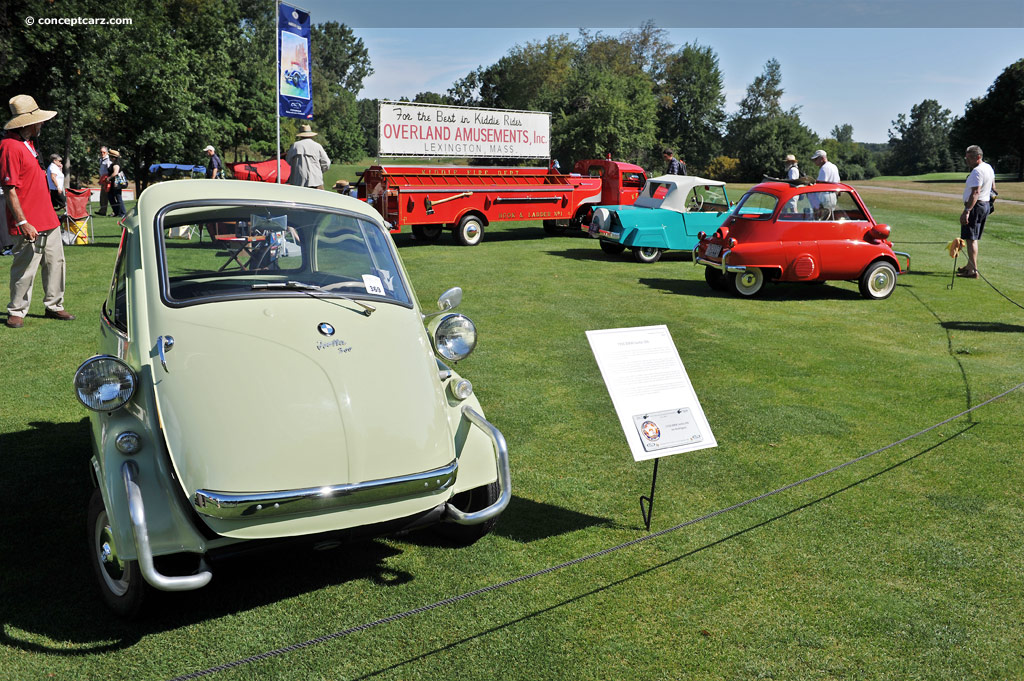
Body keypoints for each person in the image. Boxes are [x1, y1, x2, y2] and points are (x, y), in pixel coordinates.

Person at [2, 95, 74, 328]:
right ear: (27, 123)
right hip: (28, 222)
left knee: (55, 264)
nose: (41, 124)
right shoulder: (9, 146)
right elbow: (9, 188)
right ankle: (17, 310)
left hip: (48, 219)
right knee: (25, 269)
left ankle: (55, 306)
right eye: (38, 121)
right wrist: (23, 222)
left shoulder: (29, 144)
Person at [957, 145, 995, 279]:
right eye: (966, 158)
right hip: (984, 204)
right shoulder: (988, 167)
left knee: (971, 238)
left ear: (978, 157)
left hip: (976, 206)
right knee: (972, 237)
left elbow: (975, 192)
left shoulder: (977, 171)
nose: (967, 161)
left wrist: (967, 211)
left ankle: (973, 270)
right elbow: (993, 187)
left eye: (969, 158)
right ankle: (969, 266)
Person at [286, 125, 330, 189]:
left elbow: (288, 161)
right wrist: (319, 171)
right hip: (316, 181)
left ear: (301, 135)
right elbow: (327, 163)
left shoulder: (295, 146)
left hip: (299, 182)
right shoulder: (317, 146)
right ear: (311, 135)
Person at [107, 149, 126, 217]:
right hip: (113, 183)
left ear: (114, 157)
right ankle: (116, 211)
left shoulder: (116, 165)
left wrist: (108, 178)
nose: (110, 158)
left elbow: (115, 173)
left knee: (118, 197)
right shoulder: (113, 164)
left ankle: (122, 212)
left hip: (116, 183)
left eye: (111, 157)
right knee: (111, 196)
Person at [97, 146, 111, 215]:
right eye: (101, 152)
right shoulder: (101, 159)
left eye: (104, 152)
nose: (102, 153)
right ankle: (102, 210)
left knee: (105, 195)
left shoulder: (108, 160)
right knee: (102, 196)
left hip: (107, 180)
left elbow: (109, 170)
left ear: (107, 152)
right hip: (102, 179)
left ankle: (103, 210)